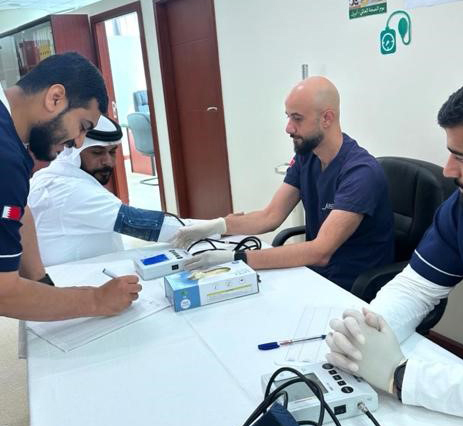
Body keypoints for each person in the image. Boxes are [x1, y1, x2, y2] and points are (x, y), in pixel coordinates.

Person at [323, 65, 463, 426]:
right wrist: (367, 334)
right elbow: (416, 287)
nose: (447, 170)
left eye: (461, 157)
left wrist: (403, 377)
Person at [171, 77, 394, 291]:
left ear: (327, 118)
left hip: (350, 286)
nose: (288, 128)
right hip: (315, 274)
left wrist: (236, 258)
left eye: (297, 118)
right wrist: (215, 227)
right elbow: (270, 217)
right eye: (288, 117)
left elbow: (320, 252)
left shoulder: (361, 173)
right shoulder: (308, 156)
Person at [0, 52, 140, 320]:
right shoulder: (5, 158)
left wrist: (41, 282)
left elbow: (20, 210)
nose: (77, 142)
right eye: (82, 126)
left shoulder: (11, 140)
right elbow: (3, 292)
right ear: (55, 98)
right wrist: (97, 301)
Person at [28, 115, 191, 266]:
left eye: (112, 152)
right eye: (97, 152)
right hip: (76, 279)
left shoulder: (50, 175)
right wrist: (206, 228)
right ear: (72, 152)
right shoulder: (73, 191)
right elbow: (151, 226)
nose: (108, 161)